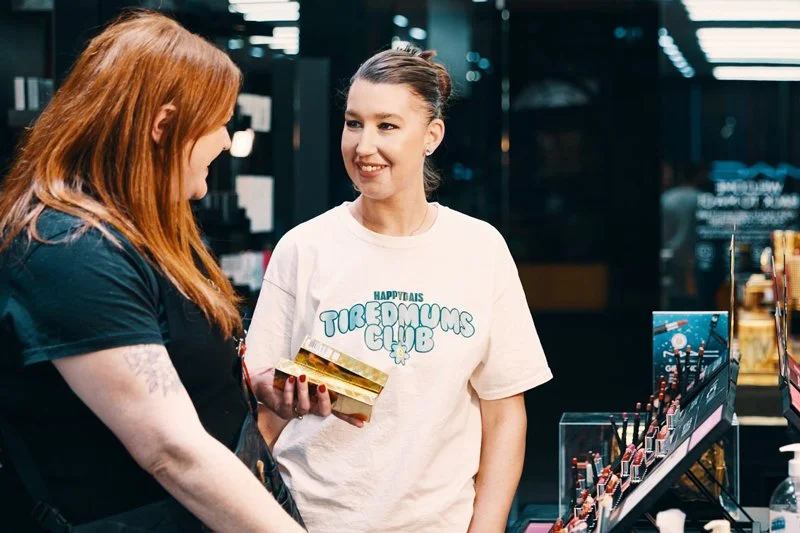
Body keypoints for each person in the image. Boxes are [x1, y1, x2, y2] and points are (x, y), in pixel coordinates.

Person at [0, 11, 305, 532]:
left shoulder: (141, 227)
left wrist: (250, 388)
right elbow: (172, 449)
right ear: (164, 126)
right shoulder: (68, 250)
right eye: (219, 123)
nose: (228, 142)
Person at [245, 45, 553, 533]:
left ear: (432, 135)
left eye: (387, 125)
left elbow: (504, 415)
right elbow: (265, 412)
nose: (364, 145)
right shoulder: (304, 248)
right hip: (309, 521)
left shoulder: (479, 248)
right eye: (353, 123)